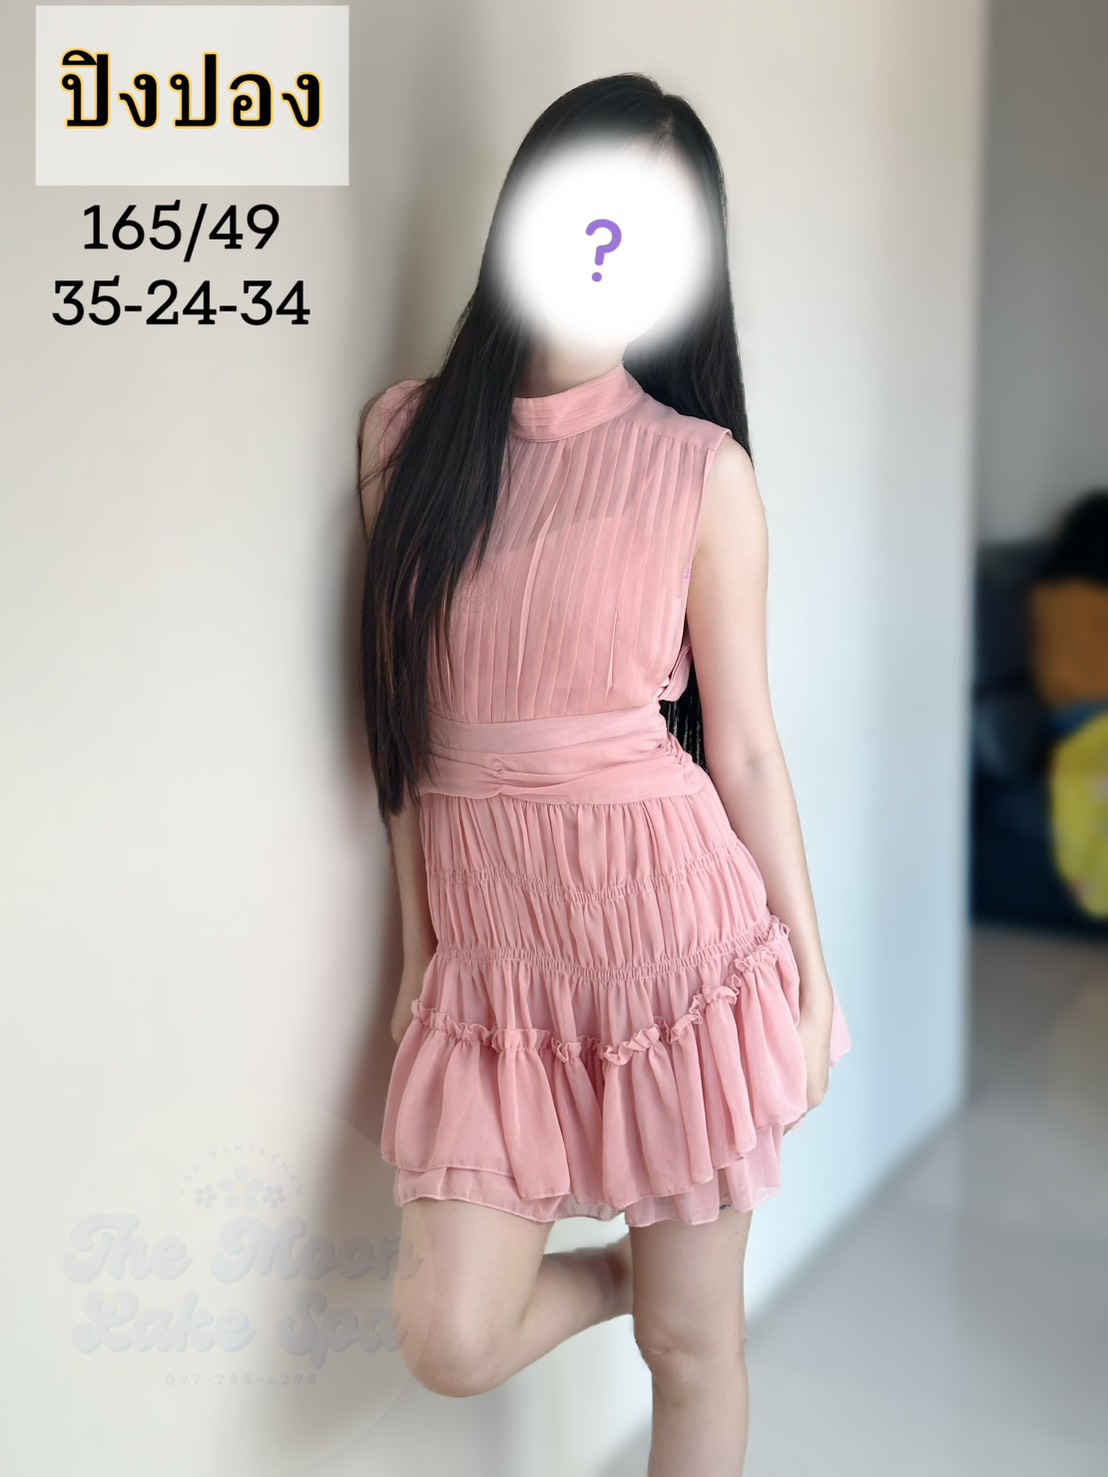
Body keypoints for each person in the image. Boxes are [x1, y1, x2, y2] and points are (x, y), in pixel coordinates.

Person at [355, 72, 851, 1474]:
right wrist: (419, 954)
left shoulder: (700, 471)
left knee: (692, 1355)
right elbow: (406, 742)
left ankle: (673, 1290)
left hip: (672, 944)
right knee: (450, 1337)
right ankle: (644, 1271)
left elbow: (741, 746)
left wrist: (811, 977)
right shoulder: (403, 441)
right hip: (494, 965)